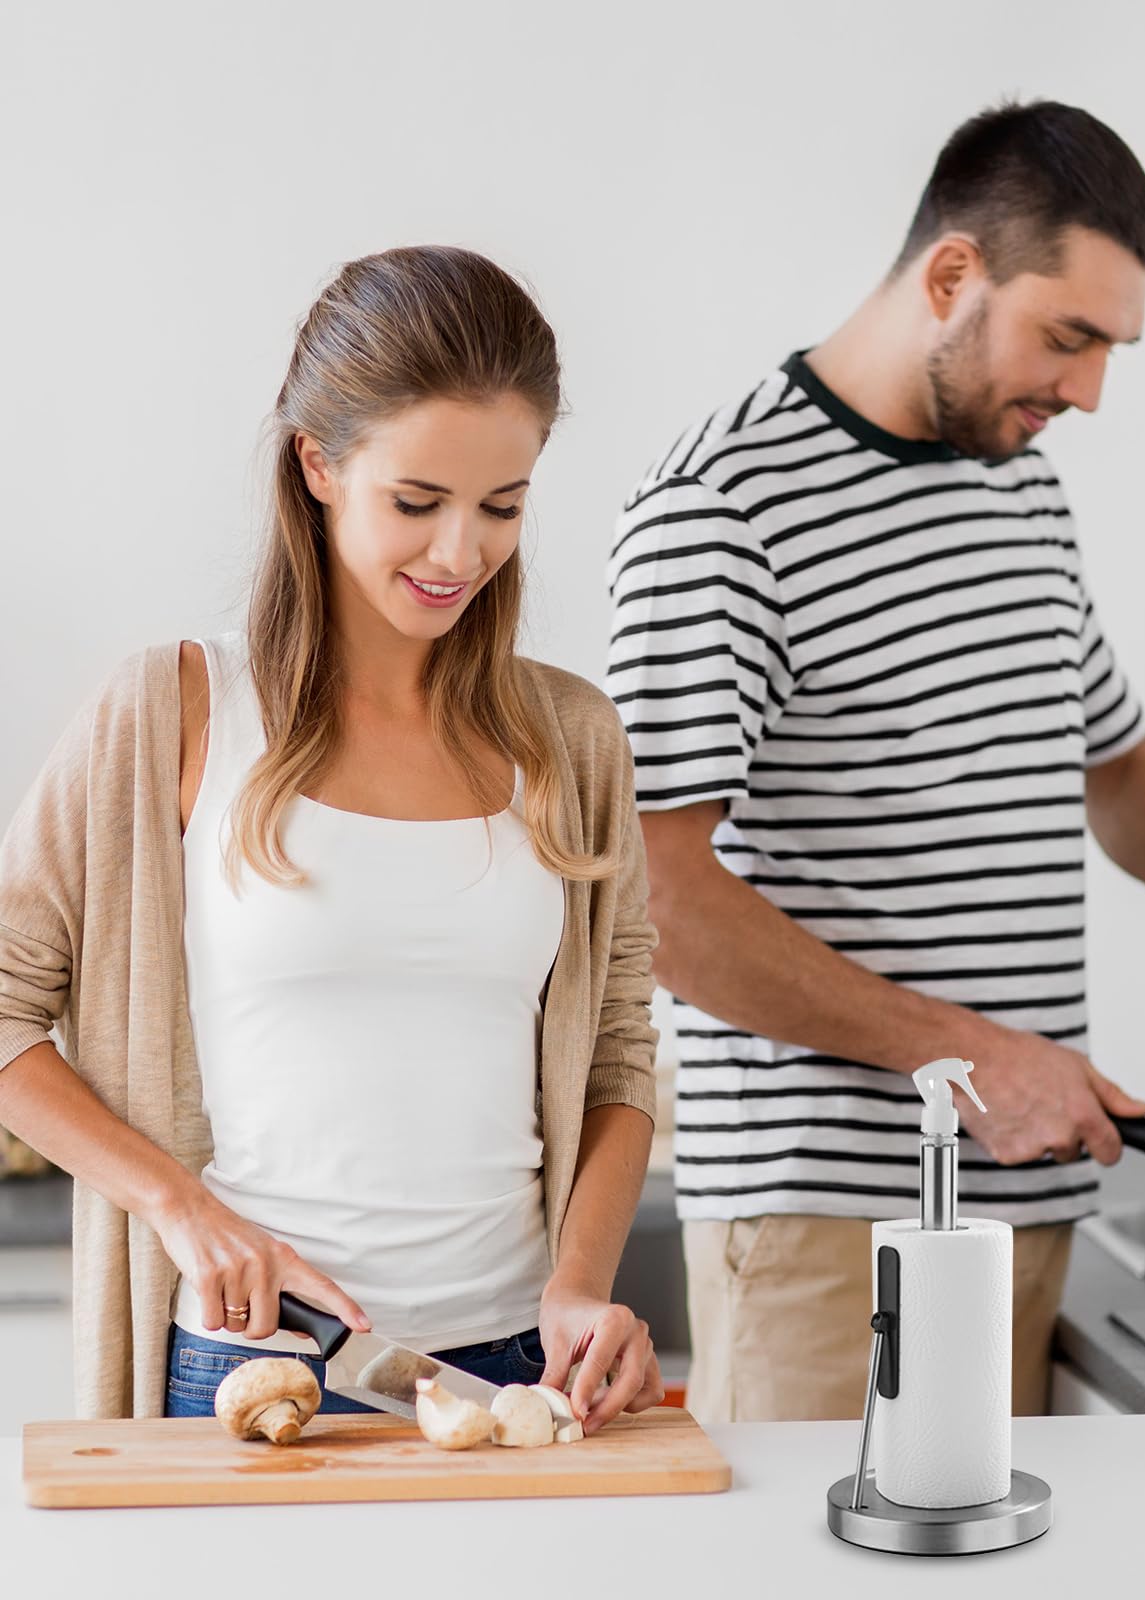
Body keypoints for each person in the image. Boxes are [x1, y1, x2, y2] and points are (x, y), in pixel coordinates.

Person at [606, 101, 1145, 1423]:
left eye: (1111, 348)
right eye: (1069, 336)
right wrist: (967, 1056)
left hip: (1029, 1208)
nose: (1088, 391)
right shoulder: (721, 508)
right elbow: (657, 902)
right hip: (829, 1229)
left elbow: (1116, 770)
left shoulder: (1015, 483)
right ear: (951, 276)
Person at [0, 245, 664, 1428]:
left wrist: (579, 1286)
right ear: (317, 463)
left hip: (516, 1369)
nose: (460, 552)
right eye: (418, 502)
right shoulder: (175, 712)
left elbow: (616, 1054)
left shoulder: (571, 738)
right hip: (260, 1367)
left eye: (501, 506)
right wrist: (179, 1208)